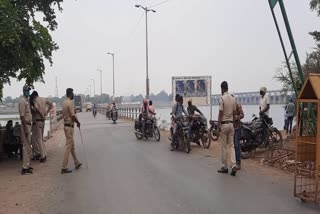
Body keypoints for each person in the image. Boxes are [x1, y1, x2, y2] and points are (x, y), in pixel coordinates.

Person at [217, 81, 237, 176]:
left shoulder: (222, 98)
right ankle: (233, 165)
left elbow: (220, 113)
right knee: (232, 146)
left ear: (222, 89)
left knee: (224, 146)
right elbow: (234, 113)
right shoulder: (233, 98)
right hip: (231, 124)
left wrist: (218, 126)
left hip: (224, 125)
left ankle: (225, 166)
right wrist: (234, 123)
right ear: (227, 88)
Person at [61, 88, 82, 174]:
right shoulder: (69, 103)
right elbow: (72, 116)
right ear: (70, 94)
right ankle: (63, 167)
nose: (73, 95)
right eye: (73, 93)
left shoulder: (64, 102)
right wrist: (78, 122)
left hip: (66, 126)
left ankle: (76, 162)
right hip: (69, 127)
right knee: (68, 147)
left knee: (72, 146)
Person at [30, 91, 53, 163]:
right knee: (41, 139)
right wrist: (46, 112)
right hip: (43, 122)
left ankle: (42, 156)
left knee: (39, 139)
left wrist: (41, 115)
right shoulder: (43, 99)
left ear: (34, 96)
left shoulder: (35, 100)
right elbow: (51, 104)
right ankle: (44, 154)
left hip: (38, 120)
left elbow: (36, 109)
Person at [19, 85, 33, 175]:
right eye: (27, 91)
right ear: (24, 91)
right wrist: (25, 128)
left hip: (28, 125)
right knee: (25, 147)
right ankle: (24, 167)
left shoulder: (26, 101)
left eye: (29, 90)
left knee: (28, 147)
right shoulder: (22, 101)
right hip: (25, 126)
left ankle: (27, 165)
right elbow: (22, 116)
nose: (28, 92)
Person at [230, 92, 244, 170]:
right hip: (231, 128)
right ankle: (233, 162)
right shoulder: (229, 106)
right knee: (232, 146)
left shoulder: (238, 105)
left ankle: (238, 162)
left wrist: (237, 117)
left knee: (237, 145)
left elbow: (242, 114)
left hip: (237, 128)